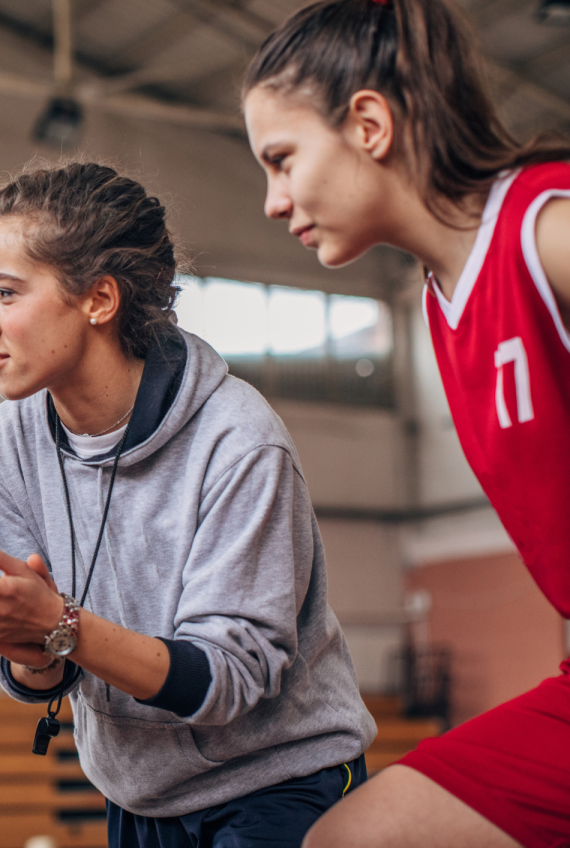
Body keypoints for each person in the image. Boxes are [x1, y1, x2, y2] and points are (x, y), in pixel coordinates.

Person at [0, 162, 376, 848]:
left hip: (277, 786)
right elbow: (43, 672)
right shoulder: (2, 446)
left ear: (99, 299)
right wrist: (30, 648)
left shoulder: (239, 441)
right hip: (135, 796)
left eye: (6, 293)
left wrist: (62, 625)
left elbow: (227, 680)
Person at [241, 2, 570, 846]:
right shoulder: (440, 302)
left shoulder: (548, 232)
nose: (273, 202)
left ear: (370, 123)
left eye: (282, 161)